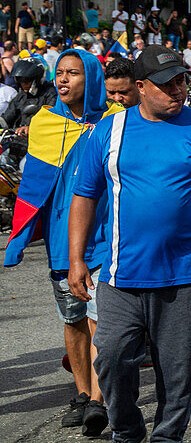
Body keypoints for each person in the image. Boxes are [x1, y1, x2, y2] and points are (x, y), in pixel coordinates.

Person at [67, 45, 191, 443]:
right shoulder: (108, 132)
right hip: (119, 273)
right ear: (141, 87)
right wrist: (76, 259)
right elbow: (84, 196)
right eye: (167, 84)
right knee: (111, 356)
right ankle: (128, 431)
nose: (177, 90)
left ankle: (167, 437)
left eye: (181, 80)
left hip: (184, 275)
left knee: (176, 370)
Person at [3, 49, 122, 437]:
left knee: (100, 321)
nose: (64, 79)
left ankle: (99, 401)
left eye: (73, 73)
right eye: (60, 73)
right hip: (61, 242)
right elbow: (34, 186)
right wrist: (18, 238)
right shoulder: (45, 122)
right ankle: (83, 392)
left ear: (92, 79)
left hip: (107, 236)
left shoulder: (116, 121)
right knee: (73, 321)